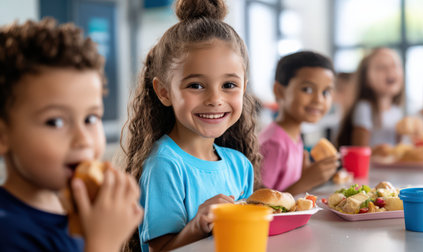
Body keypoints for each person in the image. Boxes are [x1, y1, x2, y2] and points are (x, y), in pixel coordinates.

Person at [121, 0, 260, 251]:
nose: (215, 100)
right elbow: (159, 249)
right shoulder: (165, 165)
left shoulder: (240, 166)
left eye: (229, 85)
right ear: (164, 92)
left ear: (244, 87)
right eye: (196, 85)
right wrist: (197, 225)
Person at [0, 18, 143, 251]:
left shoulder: (83, 211)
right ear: (3, 136)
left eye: (91, 118)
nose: (83, 139)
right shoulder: (8, 234)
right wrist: (104, 243)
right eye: (55, 122)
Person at [258, 51, 339, 195]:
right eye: (307, 89)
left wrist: (306, 175)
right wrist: (306, 182)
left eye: (325, 92)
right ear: (279, 91)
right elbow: (258, 203)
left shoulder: (293, 136)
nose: (319, 100)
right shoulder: (273, 143)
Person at [337, 48, 404, 147]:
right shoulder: (364, 108)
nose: (390, 70)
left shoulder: (396, 111)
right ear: (366, 79)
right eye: (381, 67)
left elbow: (398, 146)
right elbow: (360, 150)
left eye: (395, 65)